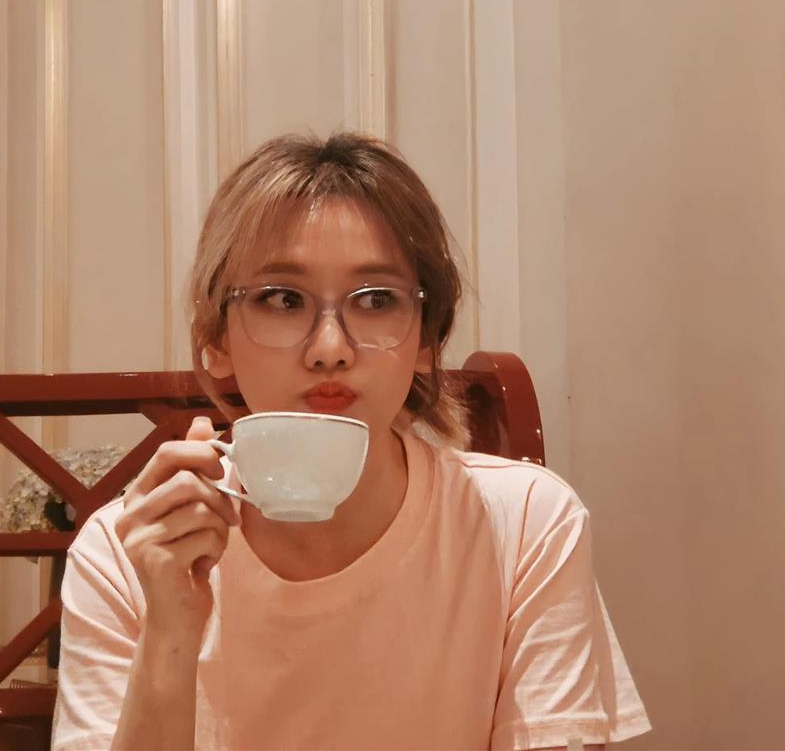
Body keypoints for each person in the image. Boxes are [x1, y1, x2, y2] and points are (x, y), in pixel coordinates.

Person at [51, 132, 651, 751]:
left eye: (376, 300)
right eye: (282, 299)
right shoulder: (128, 554)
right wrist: (169, 630)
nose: (330, 349)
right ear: (216, 338)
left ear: (427, 339)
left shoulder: (523, 523)